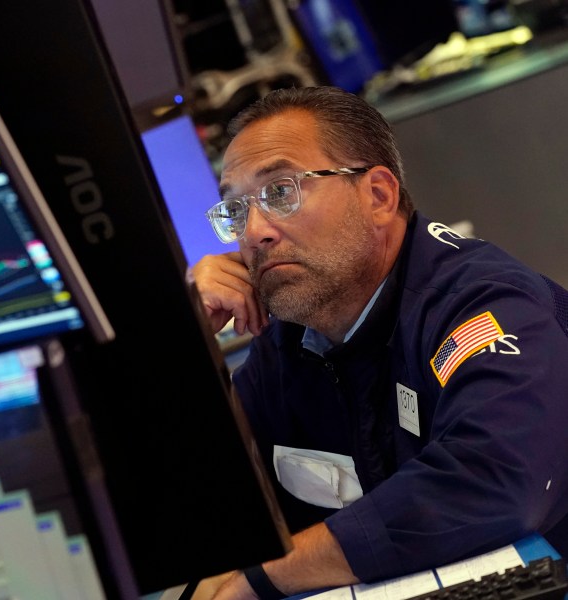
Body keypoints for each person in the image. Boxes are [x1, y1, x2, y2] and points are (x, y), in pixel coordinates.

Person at [188, 85, 568, 599]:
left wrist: (261, 577)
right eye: (235, 210)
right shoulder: (293, 334)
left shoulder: (484, 305)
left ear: (379, 196)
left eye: (281, 191)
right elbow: (213, 493)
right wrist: (188, 350)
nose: (254, 232)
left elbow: (494, 479)